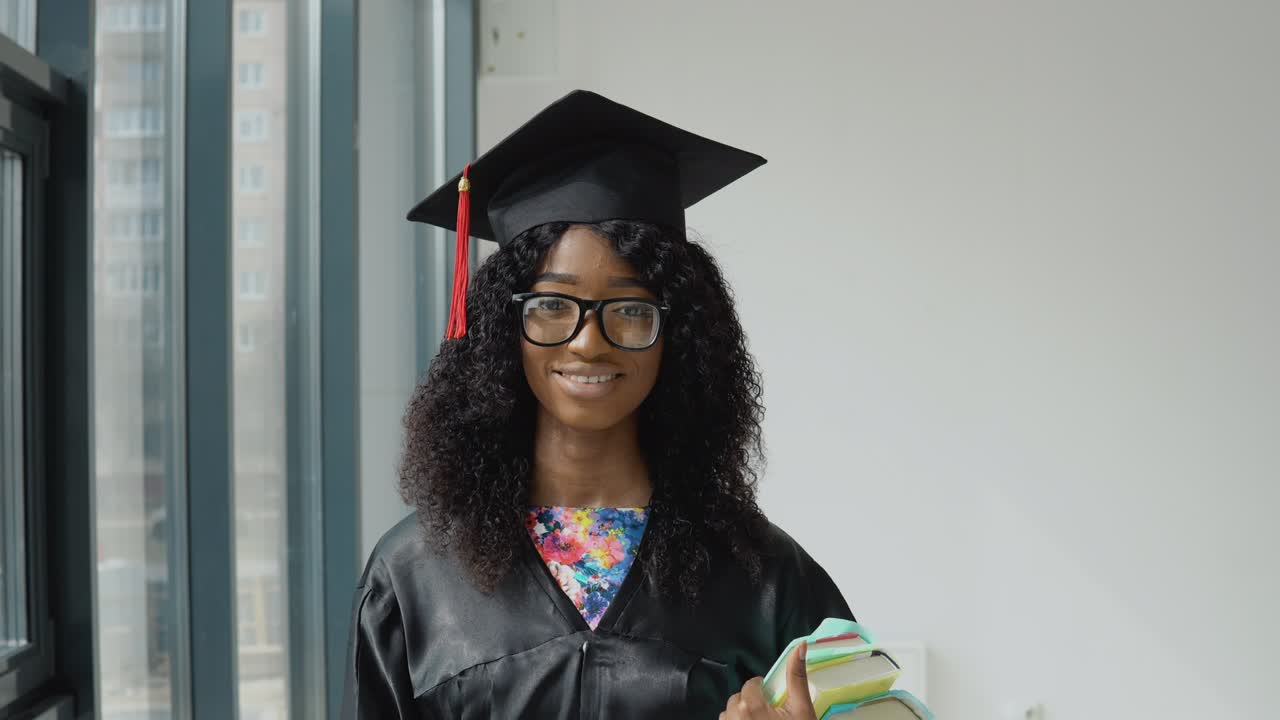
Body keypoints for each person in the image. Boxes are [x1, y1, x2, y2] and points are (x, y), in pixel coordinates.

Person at [342, 90, 854, 719]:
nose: (589, 342)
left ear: (681, 333)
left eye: (632, 310)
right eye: (552, 306)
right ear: (503, 330)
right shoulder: (412, 578)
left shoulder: (767, 580)